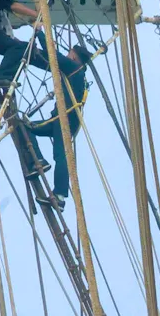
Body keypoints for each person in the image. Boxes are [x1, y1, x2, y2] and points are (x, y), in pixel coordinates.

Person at [21, 43, 93, 212]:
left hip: (65, 119)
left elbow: (54, 57)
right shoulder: (76, 74)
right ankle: (38, 160)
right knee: (25, 127)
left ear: (74, 56)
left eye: (69, 53)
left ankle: (59, 195)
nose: (68, 56)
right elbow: (50, 62)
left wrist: (40, 33)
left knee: (61, 155)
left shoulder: (74, 67)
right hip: (61, 119)